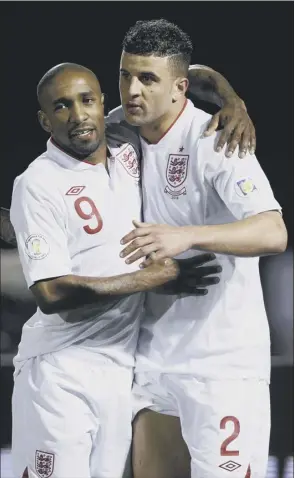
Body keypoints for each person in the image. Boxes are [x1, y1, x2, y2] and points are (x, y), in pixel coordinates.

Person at [114, 19, 288, 478]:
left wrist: (188, 236)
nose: (132, 89)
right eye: (126, 74)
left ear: (179, 88)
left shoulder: (217, 138)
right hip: (153, 356)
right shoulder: (116, 130)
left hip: (222, 364)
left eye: (147, 78)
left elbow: (274, 232)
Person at [9, 62, 190, 478]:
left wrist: (230, 96)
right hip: (60, 371)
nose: (77, 115)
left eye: (86, 100)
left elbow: (176, 78)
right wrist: (151, 277)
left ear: (103, 103)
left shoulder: (128, 155)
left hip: (118, 371)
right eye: (61, 106)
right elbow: (51, 294)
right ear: (44, 120)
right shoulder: (38, 182)